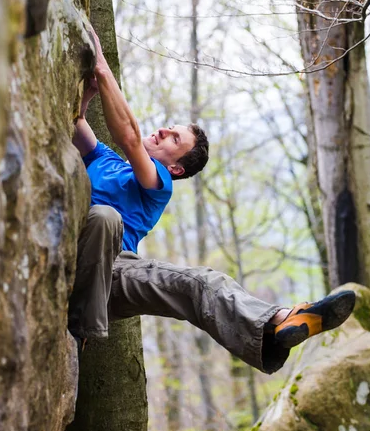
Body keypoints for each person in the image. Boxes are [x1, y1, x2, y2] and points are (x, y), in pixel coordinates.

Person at [69, 28, 355, 374]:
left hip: (116, 272)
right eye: (169, 127)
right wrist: (87, 92)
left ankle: (278, 322)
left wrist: (101, 66)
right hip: (74, 248)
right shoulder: (105, 160)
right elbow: (75, 122)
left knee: (197, 282)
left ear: (174, 167)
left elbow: (129, 137)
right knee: (102, 217)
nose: (162, 131)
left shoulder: (158, 183)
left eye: (173, 138)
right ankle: (80, 322)